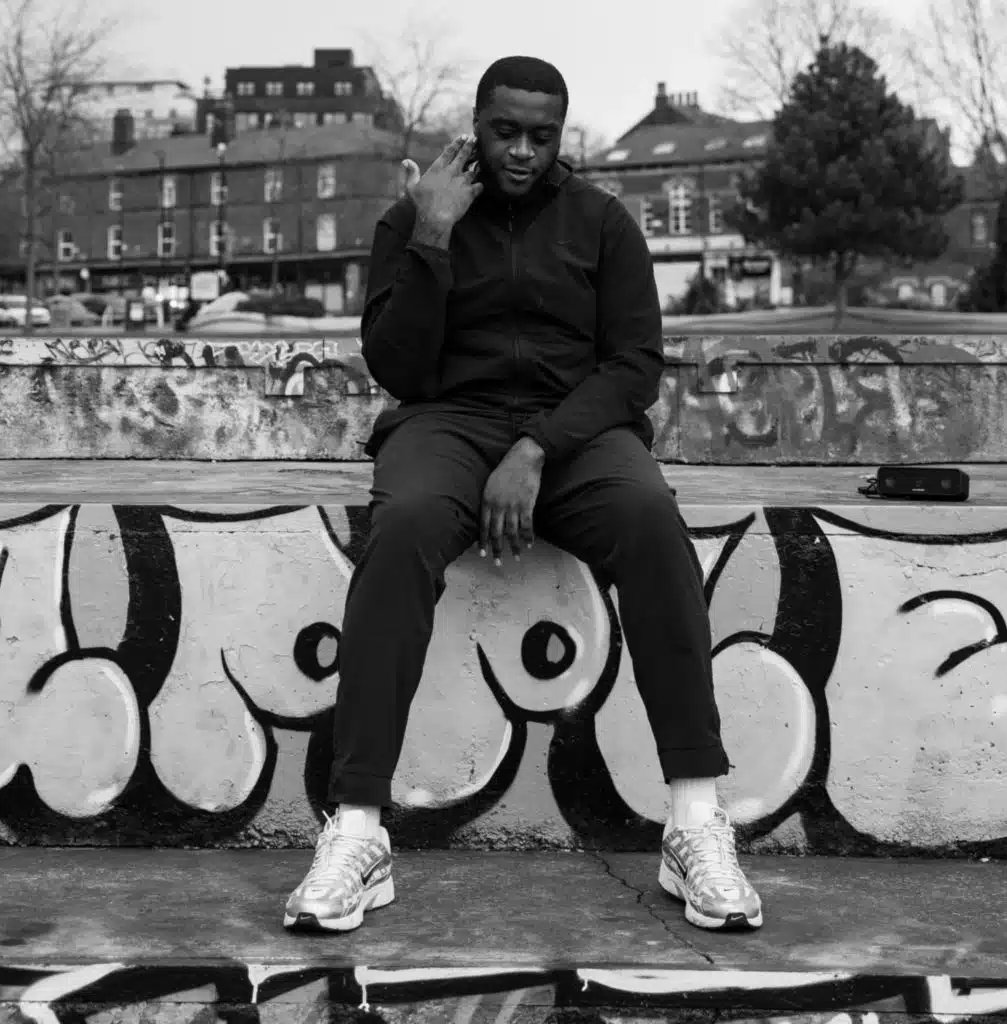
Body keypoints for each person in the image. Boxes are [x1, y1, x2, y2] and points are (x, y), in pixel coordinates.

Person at [284, 56, 763, 936]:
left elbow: (634, 366)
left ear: (560, 136)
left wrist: (539, 447)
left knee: (652, 522)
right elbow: (398, 367)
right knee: (404, 526)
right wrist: (432, 236)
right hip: (447, 423)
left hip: (572, 435)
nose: (521, 152)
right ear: (476, 124)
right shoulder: (414, 216)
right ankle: (357, 830)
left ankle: (695, 820)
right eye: (504, 131)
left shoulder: (601, 221)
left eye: (542, 137)